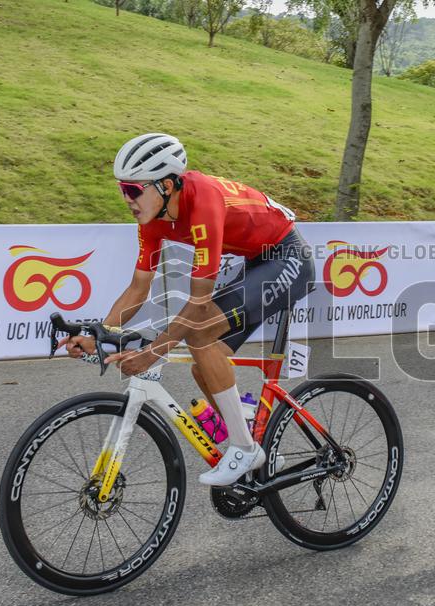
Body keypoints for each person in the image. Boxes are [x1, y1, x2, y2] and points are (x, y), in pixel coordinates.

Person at [60, 132, 314, 486]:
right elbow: (138, 288)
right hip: (254, 262)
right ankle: (253, 442)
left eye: (134, 190)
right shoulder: (152, 221)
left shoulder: (203, 202)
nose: (127, 200)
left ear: (165, 185)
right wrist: (99, 334)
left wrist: (152, 354)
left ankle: (244, 448)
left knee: (200, 333)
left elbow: (198, 303)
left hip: (287, 258)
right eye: (122, 190)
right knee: (204, 367)